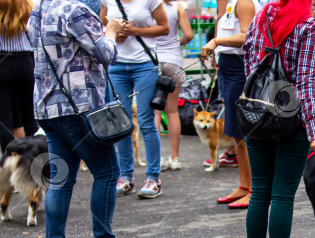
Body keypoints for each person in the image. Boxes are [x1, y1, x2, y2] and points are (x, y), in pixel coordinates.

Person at [29, 0, 142, 238]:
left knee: (60, 179)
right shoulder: (75, 10)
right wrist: (111, 30)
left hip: (47, 106)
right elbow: (107, 54)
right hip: (79, 108)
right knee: (107, 172)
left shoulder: (39, 9)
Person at [242, 0, 315, 238]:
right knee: (283, 196)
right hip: (292, 121)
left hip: (257, 116)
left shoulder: (262, 17)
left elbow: (249, 65)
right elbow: (306, 83)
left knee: (259, 192)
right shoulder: (307, 25)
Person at [100, 0, 168, 198]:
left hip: (144, 63)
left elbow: (165, 27)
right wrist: (112, 34)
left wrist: (135, 30)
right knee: (121, 123)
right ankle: (125, 176)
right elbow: (99, 26)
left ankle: (153, 178)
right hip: (116, 64)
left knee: (146, 121)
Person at [201, 0, 258, 209]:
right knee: (236, 133)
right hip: (227, 67)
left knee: (244, 133)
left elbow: (247, 37)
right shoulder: (230, 3)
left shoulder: (244, 2)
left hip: (239, 69)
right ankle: (244, 186)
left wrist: (216, 42)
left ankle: (253, 190)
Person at [0, 0, 38, 152]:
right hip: (25, 61)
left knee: (4, 121)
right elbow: (34, 33)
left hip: (0, 63)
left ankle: (10, 164)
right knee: (30, 118)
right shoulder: (24, 2)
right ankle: (37, 162)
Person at [155, 0, 193, 171]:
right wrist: (176, 43)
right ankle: (175, 158)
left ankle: (155, 158)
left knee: (155, 111)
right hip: (173, 60)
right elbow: (189, 35)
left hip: (152, 58)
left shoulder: (148, 5)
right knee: (172, 111)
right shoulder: (177, 6)